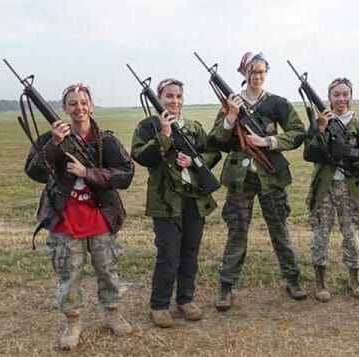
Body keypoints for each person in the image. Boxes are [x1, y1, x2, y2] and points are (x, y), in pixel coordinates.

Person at [25, 83, 134, 349]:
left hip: (100, 217)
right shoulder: (51, 139)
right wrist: (54, 144)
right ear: (64, 109)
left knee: (108, 270)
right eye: (72, 103)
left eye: (83, 102)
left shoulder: (105, 140)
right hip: (65, 218)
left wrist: (88, 173)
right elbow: (34, 171)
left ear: (91, 106)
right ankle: (72, 322)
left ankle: (112, 313)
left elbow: (125, 174)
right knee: (68, 274)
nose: (79, 108)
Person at [209, 51, 307, 311]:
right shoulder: (232, 103)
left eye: (261, 71)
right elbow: (216, 140)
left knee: (279, 230)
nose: (257, 76)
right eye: (252, 71)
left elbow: (298, 133)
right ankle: (226, 288)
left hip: (271, 177)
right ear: (243, 73)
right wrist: (230, 117)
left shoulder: (277, 103)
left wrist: (269, 142)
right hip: (240, 180)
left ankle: (293, 280)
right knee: (237, 233)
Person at [130, 78, 221, 327]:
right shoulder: (148, 126)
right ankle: (159, 305)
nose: (175, 101)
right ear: (159, 98)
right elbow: (141, 156)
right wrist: (165, 135)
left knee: (190, 252)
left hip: (194, 200)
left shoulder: (193, 127)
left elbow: (213, 152)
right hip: (166, 201)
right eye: (169, 96)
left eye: (178, 96)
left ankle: (185, 300)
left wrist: (194, 161)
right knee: (168, 254)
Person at [303, 77, 359, 302]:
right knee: (321, 235)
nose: (341, 99)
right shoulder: (320, 121)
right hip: (324, 187)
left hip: (349, 187)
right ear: (329, 98)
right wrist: (320, 129)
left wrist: (353, 154)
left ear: (350, 96)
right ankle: (320, 283)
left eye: (345, 94)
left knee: (350, 235)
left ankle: (356, 279)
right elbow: (308, 153)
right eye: (336, 95)